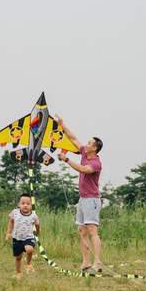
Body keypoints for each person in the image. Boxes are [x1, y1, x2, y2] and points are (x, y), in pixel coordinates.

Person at [55, 114, 104, 274]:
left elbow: (84, 170)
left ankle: (97, 264)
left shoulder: (96, 163)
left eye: (89, 143)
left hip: (92, 200)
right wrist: (62, 125)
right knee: (82, 231)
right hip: (83, 200)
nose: (86, 144)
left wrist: (67, 160)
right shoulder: (84, 153)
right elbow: (73, 138)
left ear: (94, 148)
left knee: (92, 231)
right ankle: (85, 262)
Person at [5, 193, 40, 279]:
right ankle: (18, 273)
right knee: (18, 257)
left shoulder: (33, 216)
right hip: (17, 238)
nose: (25, 205)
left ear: (31, 205)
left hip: (28, 237)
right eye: (23, 203)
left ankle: (28, 264)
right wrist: (8, 233)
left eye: (28, 204)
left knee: (29, 250)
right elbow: (11, 222)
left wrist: (38, 231)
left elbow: (37, 225)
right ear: (19, 204)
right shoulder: (15, 213)